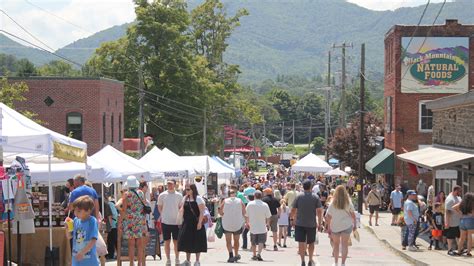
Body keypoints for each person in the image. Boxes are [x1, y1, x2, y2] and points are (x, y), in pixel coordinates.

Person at [291, 180, 323, 266]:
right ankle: (310, 259)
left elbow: (293, 210)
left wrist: (292, 219)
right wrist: (320, 223)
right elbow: (319, 211)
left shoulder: (299, 197)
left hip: (300, 223)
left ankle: (302, 261)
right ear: (311, 187)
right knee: (311, 242)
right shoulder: (315, 197)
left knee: (301, 242)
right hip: (311, 223)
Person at [325, 185, 356, 266]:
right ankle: (343, 263)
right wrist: (355, 224)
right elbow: (353, 214)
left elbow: (328, 216)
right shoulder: (348, 201)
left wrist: (328, 227)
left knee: (336, 244)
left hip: (335, 226)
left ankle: (335, 262)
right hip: (346, 225)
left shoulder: (333, 202)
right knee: (344, 244)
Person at [120, 176, 148, 266]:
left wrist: (120, 221)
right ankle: (140, 263)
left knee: (131, 244)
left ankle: (131, 263)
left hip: (130, 220)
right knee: (140, 243)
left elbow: (124, 209)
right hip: (140, 219)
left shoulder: (126, 194)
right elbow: (143, 205)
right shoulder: (141, 193)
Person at [177, 184, 207, 266]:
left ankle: (197, 261)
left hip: (196, 223)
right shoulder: (185, 198)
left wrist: (200, 223)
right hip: (186, 223)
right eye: (186, 189)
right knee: (187, 241)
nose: (186, 191)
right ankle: (188, 260)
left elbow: (202, 212)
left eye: (188, 189)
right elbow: (181, 208)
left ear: (193, 190)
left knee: (198, 241)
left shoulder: (198, 199)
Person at [66, 195, 99, 266]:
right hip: (76, 260)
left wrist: (82, 252)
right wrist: (67, 227)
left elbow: (93, 240)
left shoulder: (92, 221)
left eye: (79, 211)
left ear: (88, 211)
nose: (75, 213)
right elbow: (69, 236)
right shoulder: (75, 221)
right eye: (74, 210)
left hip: (89, 261)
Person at [158, 179, 184, 266]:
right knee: (166, 241)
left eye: (171, 184)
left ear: (175, 185)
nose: (169, 185)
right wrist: (163, 215)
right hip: (165, 222)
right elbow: (159, 207)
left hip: (176, 222)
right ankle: (168, 259)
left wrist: (180, 218)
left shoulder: (179, 195)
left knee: (176, 242)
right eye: (168, 184)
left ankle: (177, 259)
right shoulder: (162, 195)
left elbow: (181, 207)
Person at [219, 189, 246, 263]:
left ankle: (231, 255)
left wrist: (224, 214)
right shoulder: (240, 201)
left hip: (227, 224)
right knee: (236, 240)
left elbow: (220, 212)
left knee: (228, 241)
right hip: (237, 223)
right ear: (236, 194)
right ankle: (236, 254)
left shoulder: (225, 201)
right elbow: (244, 212)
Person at [246, 190, 272, 262]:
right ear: (261, 196)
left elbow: (246, 215)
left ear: (254, 196)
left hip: (253, 225)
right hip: (262, 225)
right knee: (261, 241)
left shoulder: (250, 204)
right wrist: (268, 224)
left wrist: (247, 223)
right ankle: (259, 253)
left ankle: (254, 255)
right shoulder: (265, 205)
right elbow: (268, 216)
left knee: (253, 241)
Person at [454, 192, 474, 257]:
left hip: (462, 220)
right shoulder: (472, 204)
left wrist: (460, 213)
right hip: (470, 220)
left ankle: (459, 251)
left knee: (462, 237)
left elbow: (454, 207)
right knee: (469, 237)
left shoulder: (462, 203)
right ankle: (468, 252)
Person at [445, 185, 462, 256]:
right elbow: (447, 211)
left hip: (458, 221)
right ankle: (449, 249)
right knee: (450, 237)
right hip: (452, 221)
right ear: (455, 191)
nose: (460, 192)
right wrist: (447, 222)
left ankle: (460, 249)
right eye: (459, 191)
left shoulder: (457, 197)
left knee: (458, 236)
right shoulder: (450, 199)